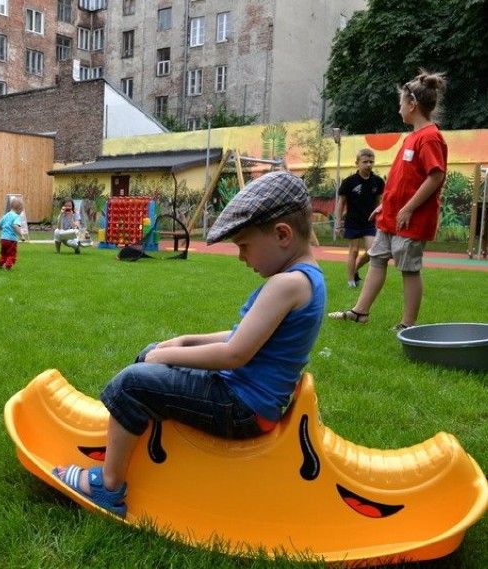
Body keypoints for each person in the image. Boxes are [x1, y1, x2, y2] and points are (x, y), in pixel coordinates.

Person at [52, 171, 326, 518]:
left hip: (240, 408)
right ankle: (140, 446)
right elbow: (242, 336)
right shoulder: (307, 279)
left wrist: (165, 355)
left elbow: (235, 354)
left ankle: (109, 485)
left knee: (132, 382)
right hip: (245, 401)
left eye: (245, 246)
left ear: (282, 235)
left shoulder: (286, 284)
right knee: (149, 355)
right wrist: (185, 341)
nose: (242, 257)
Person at [329, 70, 447, 331]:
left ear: (412, 105)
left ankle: (407, 325)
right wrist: (387, 205)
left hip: (411, 219)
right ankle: (360, 312)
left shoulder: (429, 137)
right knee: (377, 258)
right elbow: (404, 179)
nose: (399, 110)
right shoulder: (412, 136)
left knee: (409, 269)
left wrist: (407, 208)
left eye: (401, 104)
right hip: (392, 215)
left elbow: (435, 176)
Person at [333, 149, 385, 287]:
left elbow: (379, 202)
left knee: (372, 251)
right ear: (357, 163)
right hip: (352, 222)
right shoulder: (349, 182)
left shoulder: (378, 181)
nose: (368, 164)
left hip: (369, 223)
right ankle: (351, 282)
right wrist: (338, 224)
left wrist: (380, 219)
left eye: (371, 162)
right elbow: (341, 203)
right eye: (365, 162)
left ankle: (355, 269)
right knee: (354, 250)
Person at [0, 197, 26, 270]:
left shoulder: (6, 215)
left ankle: (0, 264)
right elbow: (15, 226)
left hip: (3, 239)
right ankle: (8, 266)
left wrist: (4, 231)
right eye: (22, 210)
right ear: (19, 209)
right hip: (11, 240)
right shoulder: (16, 217)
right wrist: (21, 235)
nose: (21, 212)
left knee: (4, 253)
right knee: (11, 254)